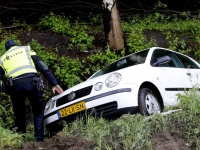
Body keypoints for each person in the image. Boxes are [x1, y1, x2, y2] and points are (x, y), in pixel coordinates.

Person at [0, 39, 63, 142]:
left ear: (6, 49)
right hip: (32, 84)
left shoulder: (2, 58)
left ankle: (21, 140)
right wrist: (54, 83)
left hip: (15, 86)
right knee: (38, 112)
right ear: (16, 45)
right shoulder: (26, 49)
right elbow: (42, 66)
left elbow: (0, 81)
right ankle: (39, 141)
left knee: (19, 114)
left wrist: (8, 90)